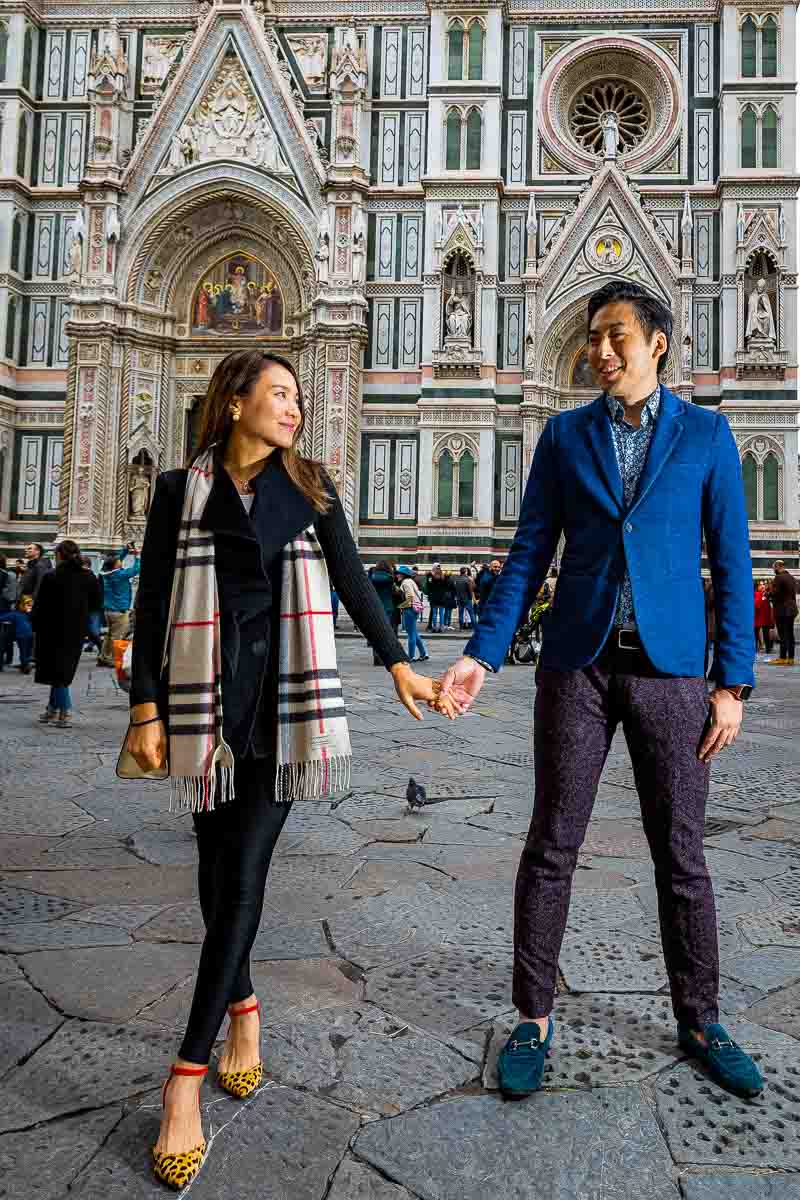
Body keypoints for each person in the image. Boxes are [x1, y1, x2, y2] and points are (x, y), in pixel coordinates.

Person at [124, 350, 453, 1190]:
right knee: (210, 870)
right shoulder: (177, 491)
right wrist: (144, 708)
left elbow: (352, 579)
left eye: (300, 399)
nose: (294, 410)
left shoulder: (311, 487)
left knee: (241, 880)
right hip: (207, 704)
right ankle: (242, 1011)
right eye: (279, 395)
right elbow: (155, 603)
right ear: (233, 402)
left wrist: (397, 663)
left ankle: (185, 1080)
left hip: (283, 704)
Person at [441, 279, 763, 1102]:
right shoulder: (563, 436)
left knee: (682, 856)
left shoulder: (709, 435)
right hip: (577, 665)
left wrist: (733, 684)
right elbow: (527, 553)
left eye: (615, 334)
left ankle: (701, 1019)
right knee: (552, 846)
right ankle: (533, 1018)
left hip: (672, 674)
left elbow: (731, 563)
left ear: (657, 341)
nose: (600, 350)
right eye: (593, 338)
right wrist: (482, 652)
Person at [31, 540, 101, 728]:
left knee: (58, 673)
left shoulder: (51, 577)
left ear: (59, 555)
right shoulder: (89, 577)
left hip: (51, 630)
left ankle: (64, 711)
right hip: (75, 631)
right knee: (62, 670)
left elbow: (39, 605)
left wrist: (35, 625)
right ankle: (52, 709)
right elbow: (96, 603)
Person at [97, 543, 140, 666]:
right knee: (117, 637)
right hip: (119, 611)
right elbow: (136, 569)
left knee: (109, 634)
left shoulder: (106, 572)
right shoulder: (120, 575)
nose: (120, 562)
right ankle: (111, 659)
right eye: (118, 561)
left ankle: (103, 656)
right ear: (116, 565)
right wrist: (137, 556)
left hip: (108, 610)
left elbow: (116, 559)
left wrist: (126, 550)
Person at [767, 559, 798, 665]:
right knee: (790, 634)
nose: (773, 570)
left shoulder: (779, 577)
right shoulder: (791, 577)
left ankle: (783, 657)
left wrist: (768, 593)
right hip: (792, 609)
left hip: (782, 610)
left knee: (783, 634)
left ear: (778, 567)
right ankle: (791, 658)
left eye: (774, 568)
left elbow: (776, 593)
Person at [368, 560, 399, 665]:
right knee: (385, 633)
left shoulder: (372, 577)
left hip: (375, 607)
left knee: (376, 632)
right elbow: (394, 592)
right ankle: (384, 657)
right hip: (387, 607)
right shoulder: (390, 578)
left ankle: (376, 657)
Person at [396, 565, 429, 663]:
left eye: (398, 573)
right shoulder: (411, 581)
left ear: (403, 575)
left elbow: (409, 597)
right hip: (414, 609)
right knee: (414, 633)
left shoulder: (405, 583)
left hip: (409, 609)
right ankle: (423, 654)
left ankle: (411, 656)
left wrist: (400, 606)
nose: (397, 575)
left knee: (411, 634)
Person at [82, 557, 104, 653]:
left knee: (93, 631)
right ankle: (96, 647)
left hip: (93, 608)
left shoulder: (90, 576)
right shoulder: (91, 576)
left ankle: (101, 650)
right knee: (91, 630)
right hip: (90, 608)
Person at [753, 579, 773, 654]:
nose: (762, 586)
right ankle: (755, 648)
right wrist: (762, 598)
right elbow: (756, 605)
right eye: (760, 585)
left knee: (766, 634)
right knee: (755, 633)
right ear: (757, 587)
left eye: (763, 585)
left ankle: (768, 648)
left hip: (765, 617)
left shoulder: (768, 594)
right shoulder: (756, 594)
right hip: (757, 617)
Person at [426, 565, 448, 632]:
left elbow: (429, 585)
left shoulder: (432, 579)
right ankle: (441, 627)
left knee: (434, 614)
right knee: (441, 614)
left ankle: (434, 627)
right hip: (442, 598)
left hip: (434, 598)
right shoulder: (443, 579)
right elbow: (447, 586)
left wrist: (429, 575)